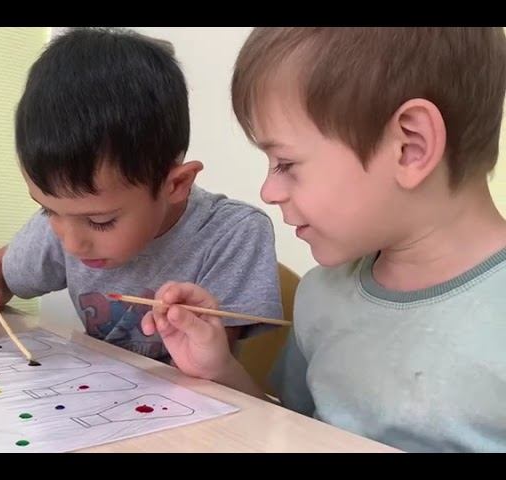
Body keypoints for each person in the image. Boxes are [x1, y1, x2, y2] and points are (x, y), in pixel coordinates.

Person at [142, 27, 506, 452]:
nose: (268, 191)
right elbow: (293, 431)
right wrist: (218, 369)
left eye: (285, 163)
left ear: (410, 147)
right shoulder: (322, 294)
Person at [0, 27, 283, 363]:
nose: (72, 243)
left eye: (100, 221)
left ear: (176, 185)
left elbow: (210, 373)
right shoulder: (69, 221)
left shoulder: (232, 235)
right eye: (47, 210)